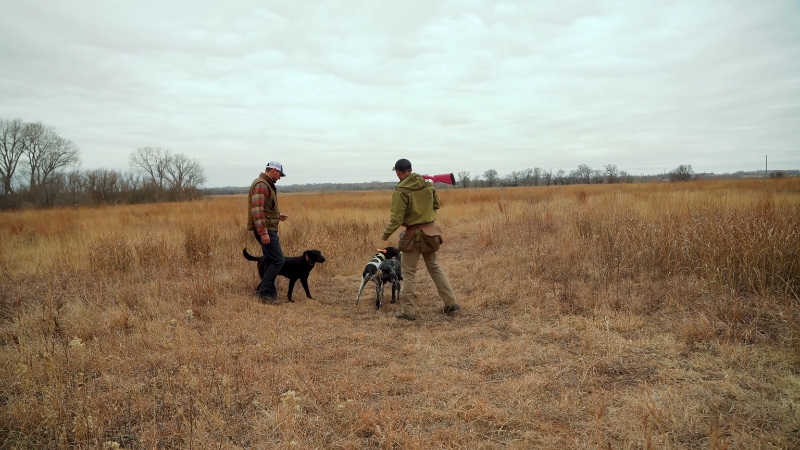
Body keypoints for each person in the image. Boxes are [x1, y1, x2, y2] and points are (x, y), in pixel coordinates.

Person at [381, 158, 460, 320]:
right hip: (431, 233)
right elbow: (436, 205)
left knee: (409, 273)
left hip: (412, 236)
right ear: (410, 169)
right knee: (435, 268)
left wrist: (385, 235)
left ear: (398, 172)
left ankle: (408, 311)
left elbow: (396, 219)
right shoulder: (428, 185)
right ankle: (451, 304)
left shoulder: (401, 191)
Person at [246, 161, 288, 303]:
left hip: (268, 228)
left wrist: (277, 216)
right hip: (266, 230)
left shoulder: (266, 184)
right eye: (280, 174)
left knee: (271, 259)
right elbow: (257, 211)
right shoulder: (261, 185)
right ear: (274, 171)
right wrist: (263, 232)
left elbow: (265, 209)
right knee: (278, 260)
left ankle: (270, 291)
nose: (280, 177)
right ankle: (264, 293)